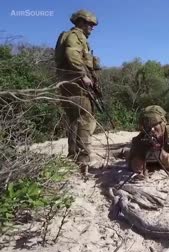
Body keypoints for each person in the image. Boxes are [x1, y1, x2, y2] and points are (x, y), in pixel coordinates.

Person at [54, 9, 101, 175]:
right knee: (84, 120)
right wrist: (83, 75)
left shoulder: (74, 37)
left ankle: (73, 158)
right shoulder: (75, 36)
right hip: (77, 85)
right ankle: (82, 161)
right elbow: (72, 55)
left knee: (75, 120)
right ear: (80, 22)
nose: (92, 28)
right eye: (90, 24)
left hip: (69, 85)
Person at [126, 105, 169, 179]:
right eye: (148, 126)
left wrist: (161, 154)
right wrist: (137, 163)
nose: (152, 129)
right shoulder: (140, 138)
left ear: (163, 122)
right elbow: (130, 161)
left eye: (155, 125)